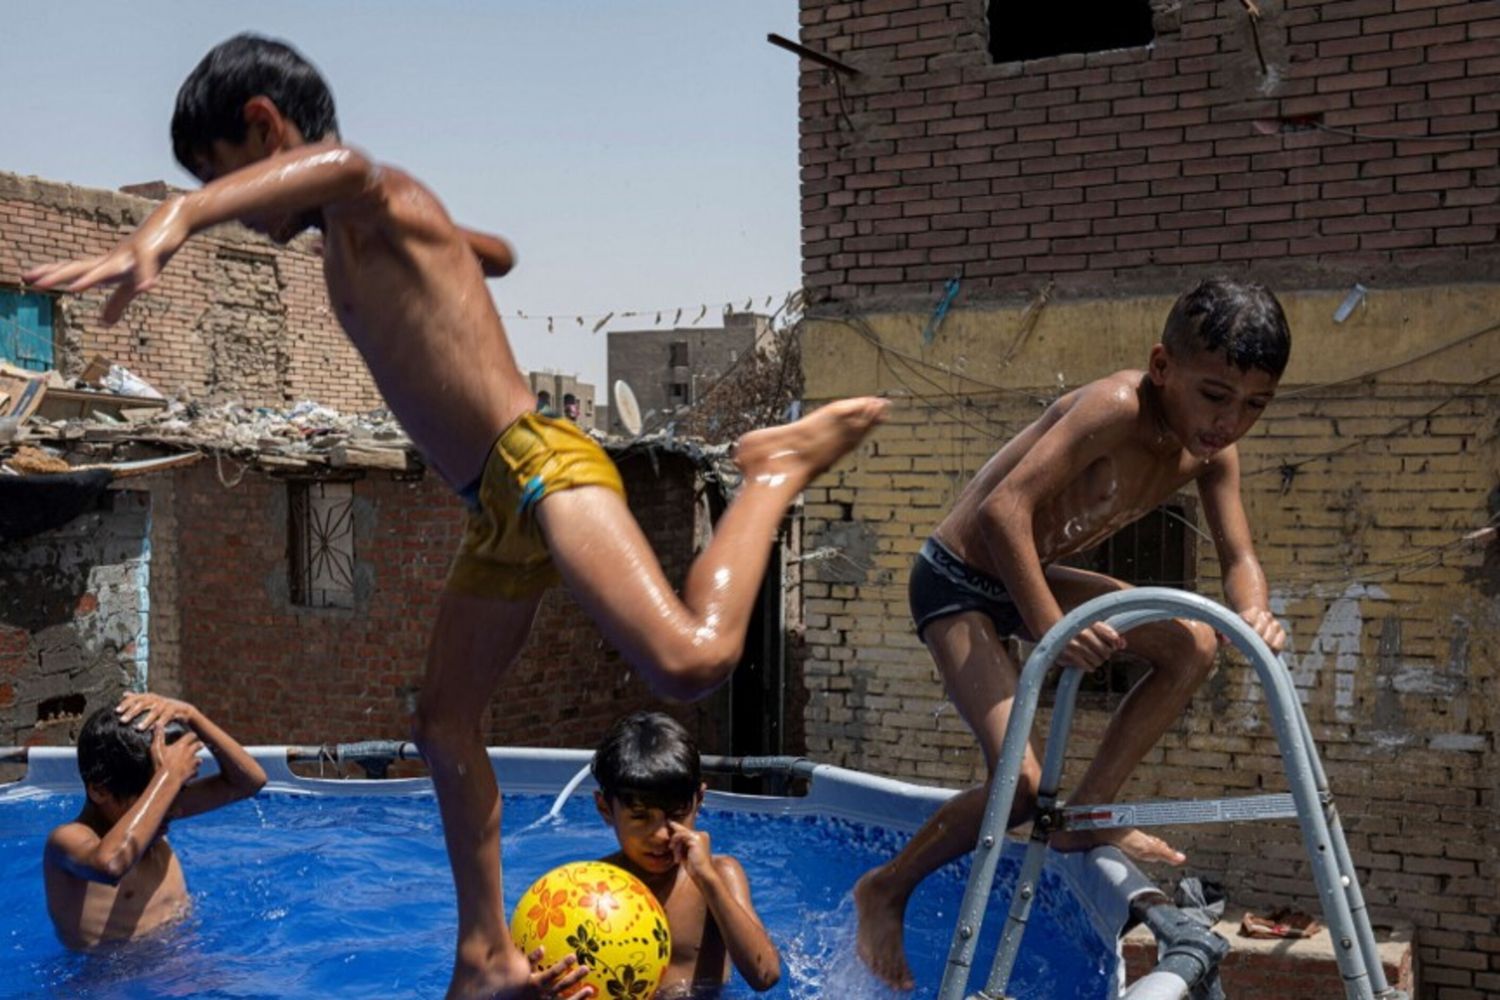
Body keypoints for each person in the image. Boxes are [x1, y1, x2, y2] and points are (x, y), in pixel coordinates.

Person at [24, 35, 883, 999]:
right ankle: (483, 953)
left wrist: (174, 219)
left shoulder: (365, 200)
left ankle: (772, 470)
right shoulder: (372, 234)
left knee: (688, 660)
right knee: (442, 722)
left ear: (266, 128)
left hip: (540, 461)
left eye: (223, 177)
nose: (239, 216)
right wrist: (468, 252)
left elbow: (348, 165)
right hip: (492, 501)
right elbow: (502, 253)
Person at [852, 277, 1291, 989]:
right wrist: (1050, 629)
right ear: (1161, 367)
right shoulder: (1113, 408)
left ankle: (1086, 812)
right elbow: (1003, 510)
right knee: (1019, 789)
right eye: (1215, 396)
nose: (1229, 421)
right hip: (960, 577)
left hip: (1033, 575)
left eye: (1255, 406)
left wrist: (1254, 610)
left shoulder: (1211, 454)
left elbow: (1238, 557)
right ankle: (887, 887)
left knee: (1193, 644)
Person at [43, 693, 267, 950]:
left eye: (173, 791)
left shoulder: (162, 806)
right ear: (99, 790)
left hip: (185, 959)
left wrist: (192, 715)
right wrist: (169, 777)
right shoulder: (67, 840)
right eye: (156, 794)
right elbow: (111, 864)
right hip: (113, 982)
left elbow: (249, 782)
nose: (167, 808)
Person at [592, 712, 780, 996]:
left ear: (699, 800)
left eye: (677, 814)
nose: (661, 836)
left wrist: (706, 878)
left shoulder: (719, 875)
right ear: (606, 809)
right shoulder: (590, 887)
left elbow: (765, 974)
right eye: (641, 817)